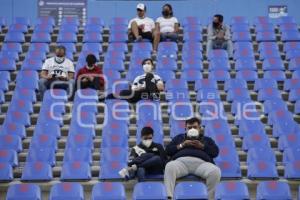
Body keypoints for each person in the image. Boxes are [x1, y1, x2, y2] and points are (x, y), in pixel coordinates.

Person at [164, 117, 221, 200]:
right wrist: (182, 145)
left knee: (215, 171)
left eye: (195, 127)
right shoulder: (179, 138)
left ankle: (210, 198)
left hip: (202, 164)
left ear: (199, 128)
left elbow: (215, 152)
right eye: (189, 127)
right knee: (169, 166)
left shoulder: (206, 139)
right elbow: (168, 151)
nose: (192, 129)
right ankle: (169, 197)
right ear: (185, 129)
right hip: (181, 163)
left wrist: (202, 146)